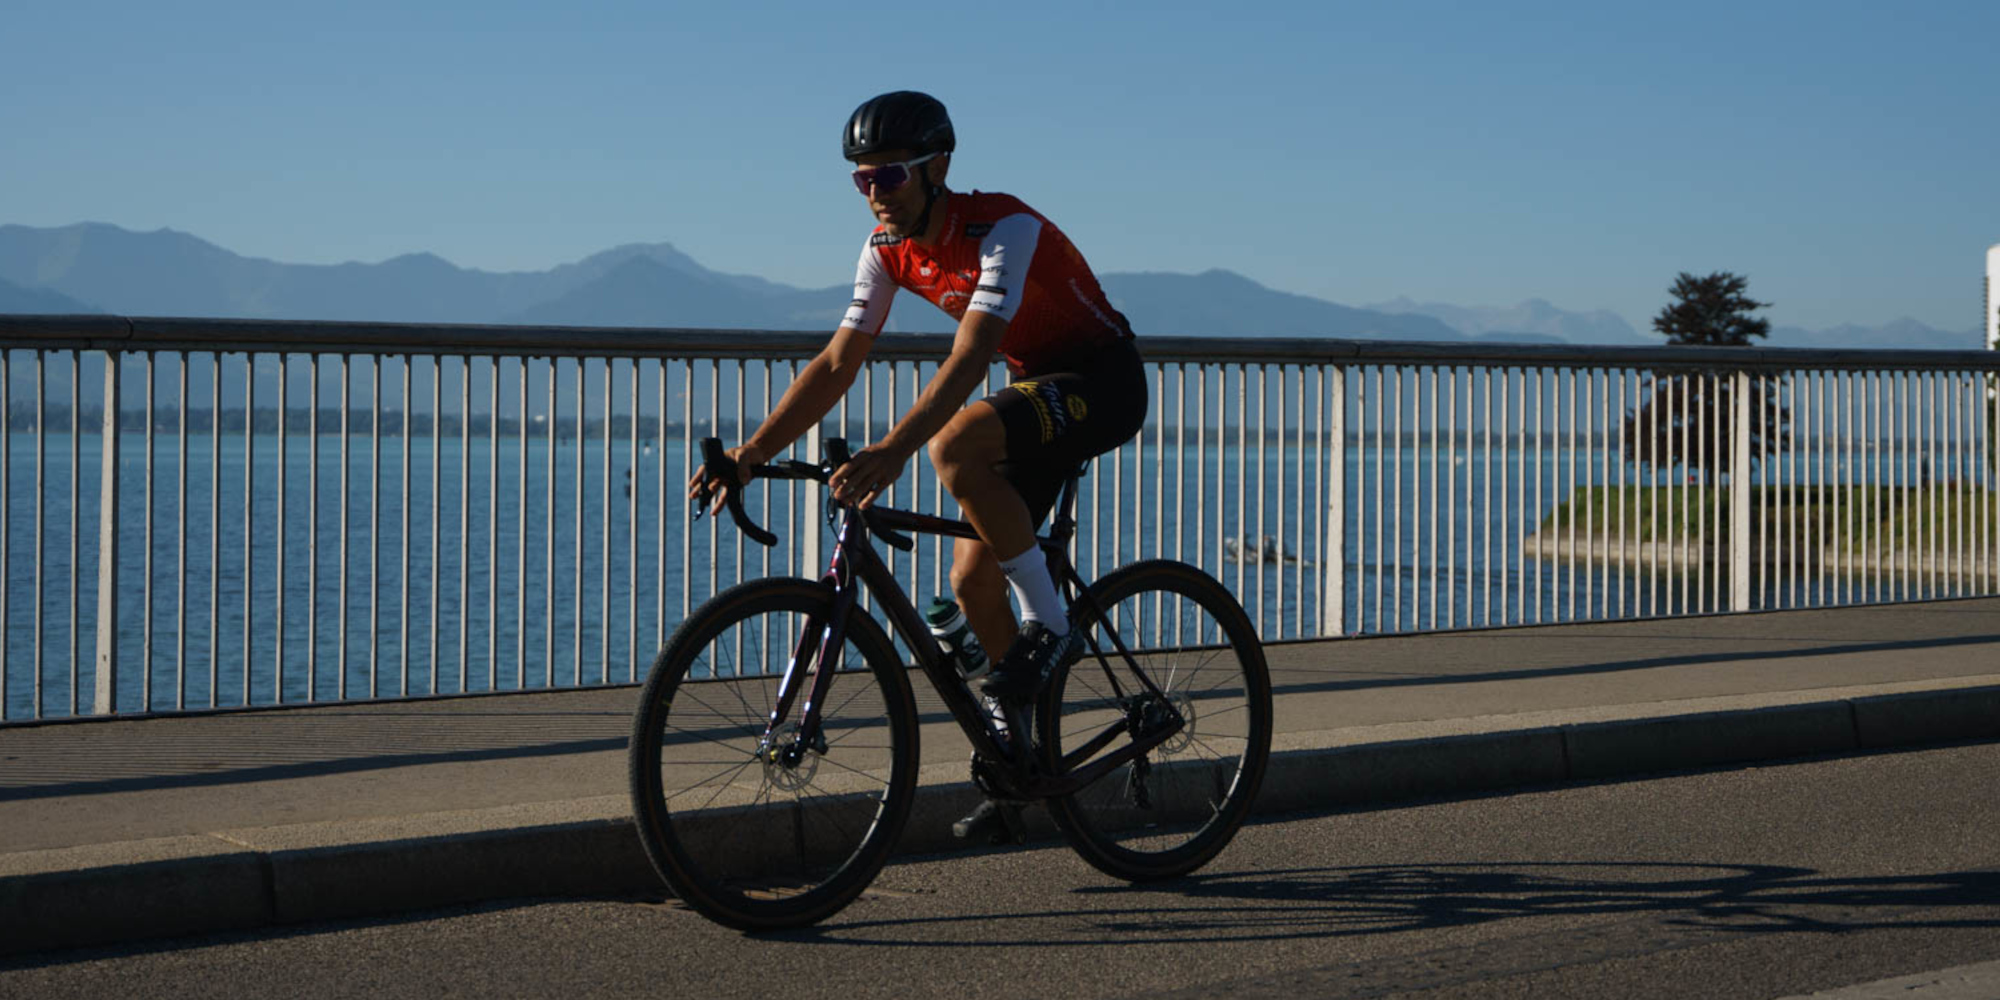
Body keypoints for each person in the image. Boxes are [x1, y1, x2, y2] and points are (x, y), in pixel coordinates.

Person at [691, 90, 1146, 790]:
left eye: (892, 175)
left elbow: (969, 359)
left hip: (1102, 379)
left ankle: (1053, 627)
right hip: (1033, 390)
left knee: (954, 445)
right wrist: (750, 456)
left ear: (938, 168)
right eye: (862, 179)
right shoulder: (887, 251)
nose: (876, 194)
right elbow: (837, 363)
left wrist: (894, 450)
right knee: (970, 585)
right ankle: (1023, 758)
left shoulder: (1004, 227)